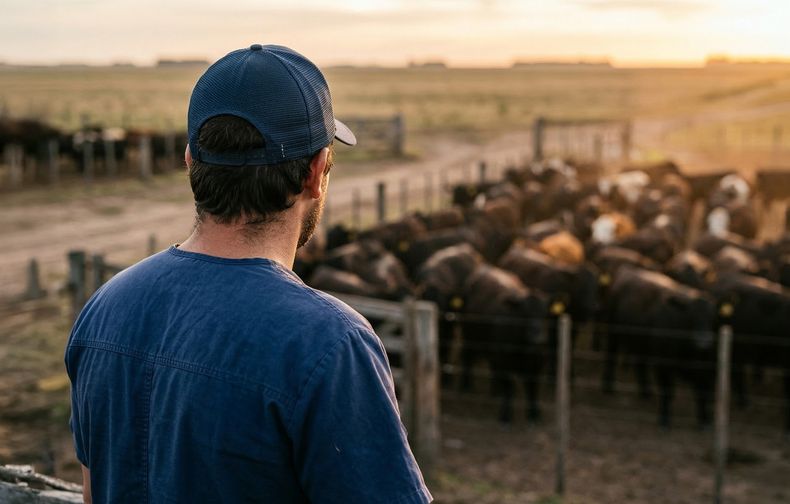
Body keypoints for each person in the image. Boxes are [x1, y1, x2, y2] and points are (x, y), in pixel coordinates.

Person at [65, 44, 432, 504]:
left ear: (190, 161)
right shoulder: (330, 344)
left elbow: (92, 491)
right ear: (316, 172)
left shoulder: (104, 309)